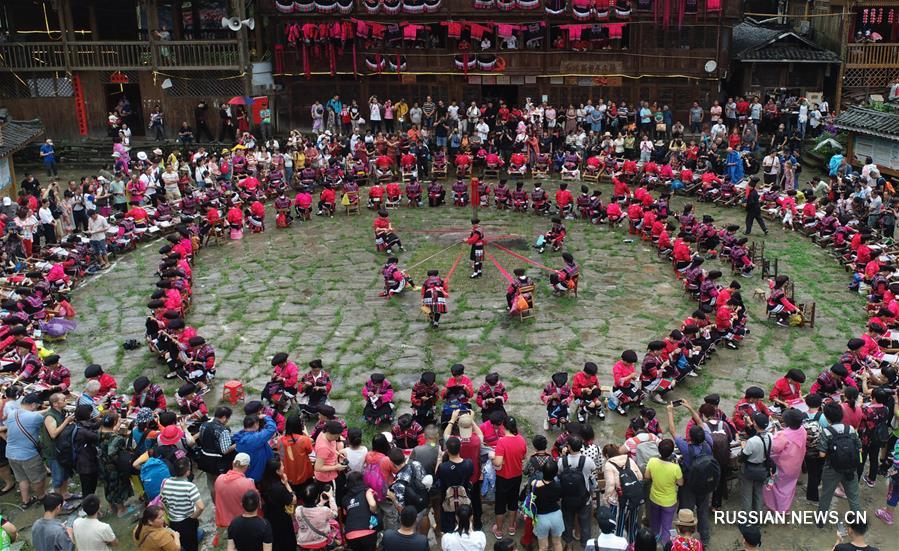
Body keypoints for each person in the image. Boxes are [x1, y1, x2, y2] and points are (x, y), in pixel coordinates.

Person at [817, 402, 863, 523]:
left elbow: (822, 454)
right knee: (853, 497)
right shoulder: (850, 429)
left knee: (826, 495)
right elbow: (860, 448)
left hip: (832, 468)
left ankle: (820, 522)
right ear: (841, 415)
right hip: (850, 468)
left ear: (827, 418)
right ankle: (858, 522)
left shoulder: (826, 431)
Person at [7, 392, 48, 508]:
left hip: (10, 453)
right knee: (38, 477)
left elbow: (29, 415)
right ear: (33, 405)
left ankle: (26, 501)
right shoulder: (36, 417)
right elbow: (40, 419)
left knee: (22, 478)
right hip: (28, 455)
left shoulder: (12, 414)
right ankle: (41, 496)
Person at [763, 408, 807, 513]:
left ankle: (777, 508)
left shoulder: (783, 435)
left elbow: (774, 448)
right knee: (789, 488)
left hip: (782, 466)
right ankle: (785, 509)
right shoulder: (803, 430)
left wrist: (773, 435)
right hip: (796, 465)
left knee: (776, 487)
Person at [41, 393, 78, 510]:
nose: (66, 400)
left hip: (62, 449)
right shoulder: (50, 416)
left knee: (66, 473)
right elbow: (53, 434)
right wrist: (66, 421)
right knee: (58, 478)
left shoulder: (61, 412)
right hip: (53, 451)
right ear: (56, 404)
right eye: (63, 399)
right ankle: (59, 502)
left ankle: (65, 494)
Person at [160, 457, 205, 551]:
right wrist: (192, 517)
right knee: (192, 546)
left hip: (173, 521)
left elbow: (163, 501)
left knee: (181, 542)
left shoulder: (164, 482)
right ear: (187, 472)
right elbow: (201, 507)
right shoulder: (190, 487)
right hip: (187, 522)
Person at [643, 438, 682, 546]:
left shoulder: (652, 461)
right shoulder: (675, 468)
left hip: (654, 498)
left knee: (654, 522)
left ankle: (653, 541)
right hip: (669, 501)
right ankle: (666, 545)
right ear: (671, 452)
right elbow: (681, 483)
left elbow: (646, 476)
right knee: (666, 526)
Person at [491, 416, 526, 539]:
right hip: (517, 476)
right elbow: (523, 456)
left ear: (503, 426)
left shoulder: (502, 441)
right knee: (513, 501)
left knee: (500, 503)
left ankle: (499, 530)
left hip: (503, 477)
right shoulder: (521, 439)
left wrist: (492, 456)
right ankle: (511, 527)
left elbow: (498, 463)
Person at [559, 435, 594, 549]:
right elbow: (593, 471)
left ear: (568, 447)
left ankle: (569, 545)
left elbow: (559, 474)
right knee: (585, 524)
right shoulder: (587, 460)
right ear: (581, 447)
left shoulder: (562, 461)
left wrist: (563, 455)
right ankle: (585, 545)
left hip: (567, 499)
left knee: (568, 523)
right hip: (583, 499)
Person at [215, 454, 259, 536]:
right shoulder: (247, 483)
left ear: (232, 463)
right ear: (246, 467)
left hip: (227, 521)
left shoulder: (219, 479)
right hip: (244, 522)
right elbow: (256, 503)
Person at [258, 458, 297, 551]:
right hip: (281, 516)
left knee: (274, 537)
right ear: (277, 471)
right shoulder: (279, 488)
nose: (283, 467)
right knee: (285, 538)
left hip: (269, 514)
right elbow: (293, 500)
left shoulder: (263, 482)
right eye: (282, 466)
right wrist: (287, 484)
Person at [739, 412, 771, 514]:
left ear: (755, 424)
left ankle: (747, 519)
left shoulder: (752, 441)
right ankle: (758, 517)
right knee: (759, 493)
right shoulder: (770, 436)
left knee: (747, 495)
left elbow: (743, 457)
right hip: (762, 468)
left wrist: (743, 447)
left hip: (749, 469)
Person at [530, 461, 564, 551]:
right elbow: (559, 499)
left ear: (543, 472)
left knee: (543, 547)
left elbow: (531, 496)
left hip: (541, 518)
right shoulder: (558, 486)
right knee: (557, 543)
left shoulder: (535, 484)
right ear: (556, 473)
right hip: (556, 515)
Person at [233, 413, 277, 482]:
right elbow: (272, 428)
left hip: (248, 471)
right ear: (256, 424)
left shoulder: (240, 436)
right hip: (258, 473)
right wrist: (265, 417)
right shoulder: (255, 438)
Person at [294, 484, 337, 549]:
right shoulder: (324, 510)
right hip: (320, 541)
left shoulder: (298, 510)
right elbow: (335, 514)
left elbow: (312, 512)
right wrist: (331, 497)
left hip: (303, 542)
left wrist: (321, 503)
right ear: (317, 497)